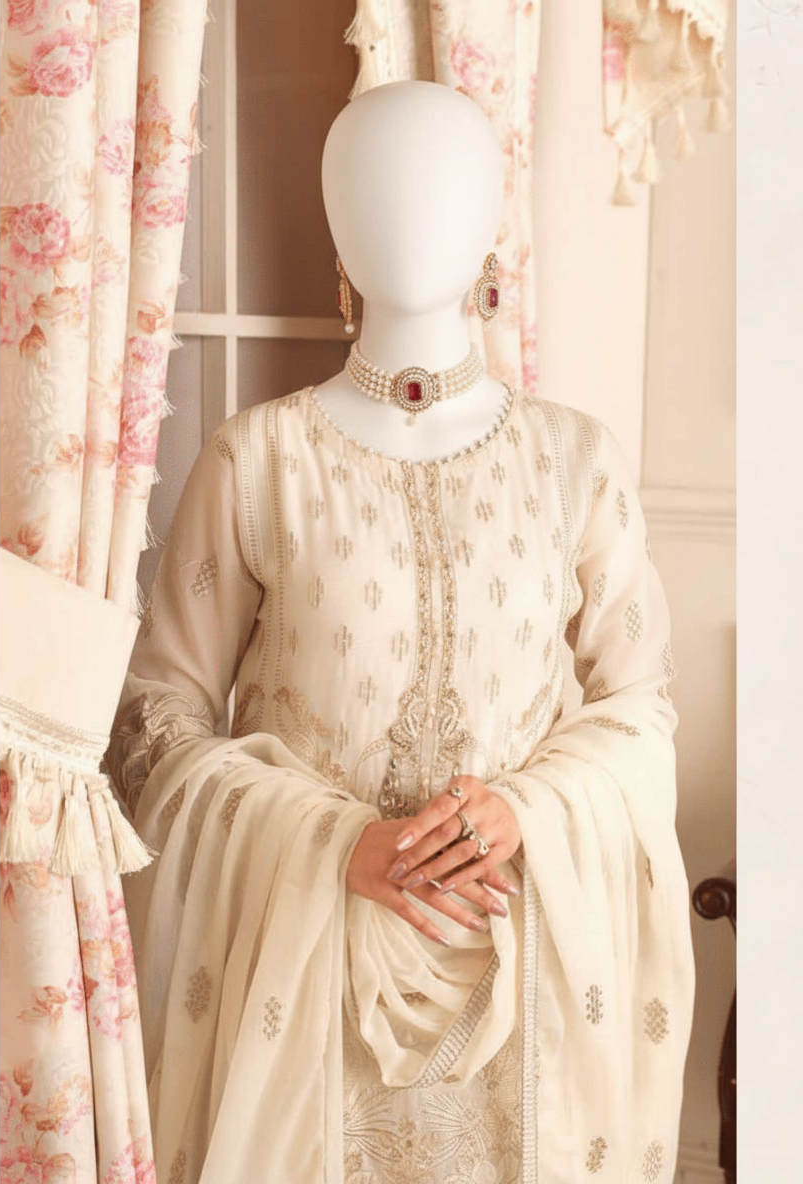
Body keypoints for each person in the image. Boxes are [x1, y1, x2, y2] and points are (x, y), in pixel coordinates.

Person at [109, 81, 695, 1184]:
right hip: (309, 993)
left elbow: (639, 712)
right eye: (367, 187)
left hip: (527, 999)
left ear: (491, 229)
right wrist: (334, 842)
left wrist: (524, 808)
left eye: (443, 185)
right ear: (334, 224)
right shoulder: (259, 461)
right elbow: (155, 728)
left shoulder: (575, 461)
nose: (404, 212)